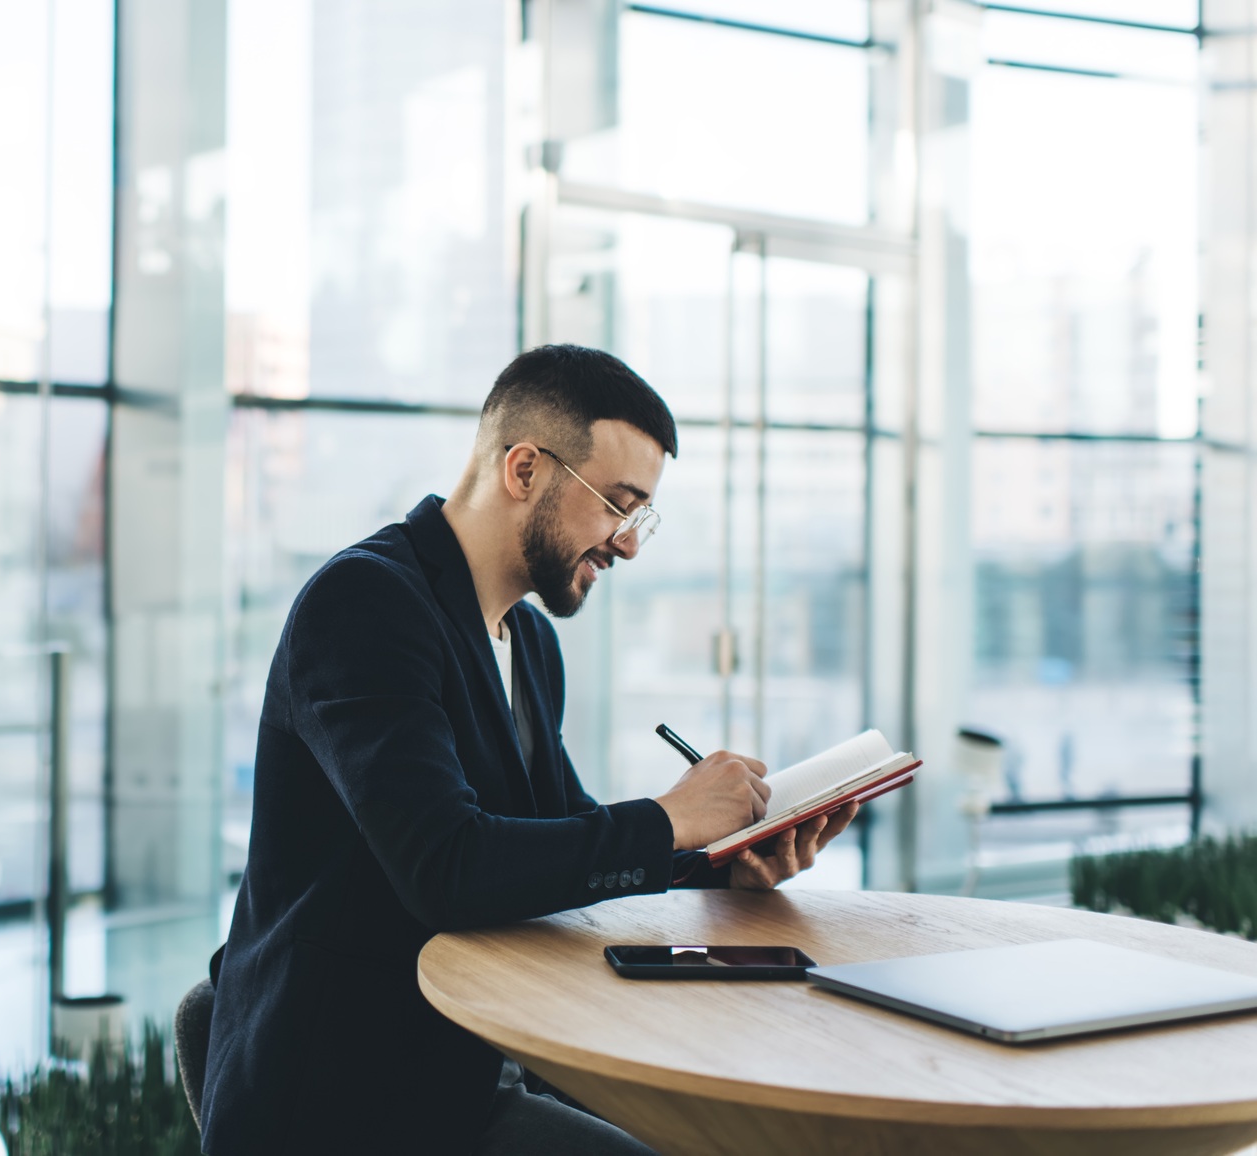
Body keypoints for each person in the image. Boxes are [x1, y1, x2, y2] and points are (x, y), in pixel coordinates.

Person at [197, 345, 857, 1155]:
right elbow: (448, 868)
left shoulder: (529, 643)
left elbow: (557, 838)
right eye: (620, 505)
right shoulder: (366, 604)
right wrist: (667, 818)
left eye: (642, 515)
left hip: (464, 1065)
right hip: (345, 1098)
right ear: (523, 470)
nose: (628, 544)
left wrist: (724, 860)